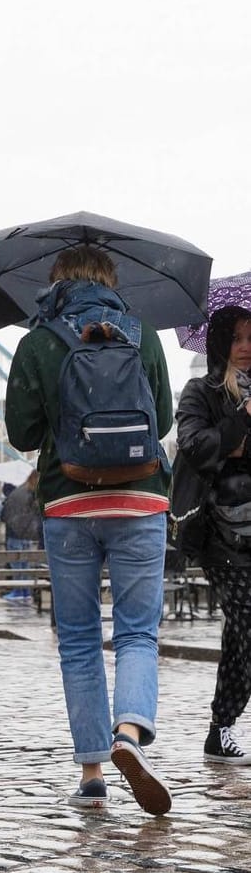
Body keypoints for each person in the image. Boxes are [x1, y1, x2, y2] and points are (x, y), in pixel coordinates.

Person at [5, 245, 174, 815]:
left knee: (78, 639)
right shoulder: (142, 332)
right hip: (140, 499)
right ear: (112, 279)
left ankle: (93, 770)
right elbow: (165, 421)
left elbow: (22, 433)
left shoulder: (38, 341)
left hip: (69, 501)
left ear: (56, 281)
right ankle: (131, 732)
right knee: (136, 633)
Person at [171, 305, 251, 766]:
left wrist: (232, 445)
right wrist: (240, 421)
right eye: (236, 338)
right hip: (221, 536)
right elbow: (197, 447)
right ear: (221, 344)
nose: (245, 347)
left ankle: (220, 730)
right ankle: (222, 728)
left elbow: (217, 448)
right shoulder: (201, 392)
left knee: (240, 637)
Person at [0, 473, 44, 603]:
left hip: (14, 534)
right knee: (25, 565)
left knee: (17, 565)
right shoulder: (32, 493)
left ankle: (18, 591)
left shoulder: (15, 496)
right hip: (27, 535)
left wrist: (6, 504)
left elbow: (3, 517)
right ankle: (25, 591)